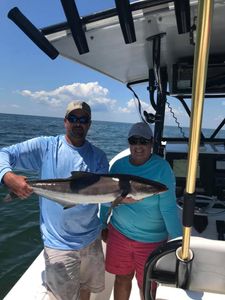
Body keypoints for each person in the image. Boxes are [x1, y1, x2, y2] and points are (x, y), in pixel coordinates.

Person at [0, 101, 109, 300]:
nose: (78, 123)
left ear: (89, 124)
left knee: (86, 290)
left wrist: (117, 205)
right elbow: (3, 154)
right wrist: (7, 176)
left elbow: (103, 196)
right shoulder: (46, 146)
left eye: (83, 119)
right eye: (73, 119)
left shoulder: (99, 157)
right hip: (58, 244)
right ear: (65, 121)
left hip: (91, 240)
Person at [100, 122, 182, 300]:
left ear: (151, 143)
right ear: (128, 143)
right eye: (133, 140)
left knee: (147, 286)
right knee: (122, 278)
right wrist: (101, 224)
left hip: (151, 240)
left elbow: (168, 208)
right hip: (119, 234)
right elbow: (106, 198)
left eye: (143, 141)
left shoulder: (162, 169)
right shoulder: (118, 166)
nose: (138, 146)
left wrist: (177, 240)